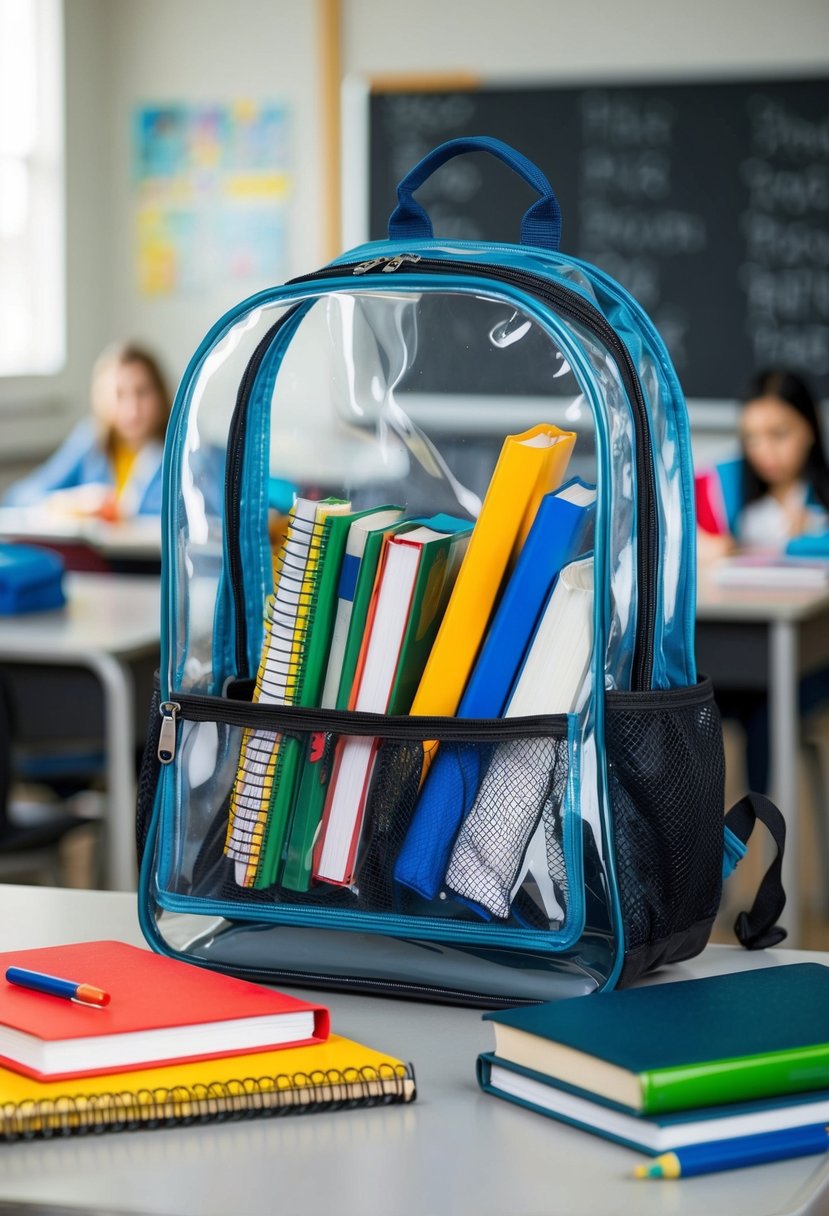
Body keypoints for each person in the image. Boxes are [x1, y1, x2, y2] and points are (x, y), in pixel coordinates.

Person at [697, 367, 829, 792]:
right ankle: (709, 840)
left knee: (772, 703)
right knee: (695, 703)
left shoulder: (817, 495)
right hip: (745, 657)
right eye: (752, 437)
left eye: (779, 433)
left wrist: (790, 545)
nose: (764, 451)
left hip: (811, 658)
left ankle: (763, 836)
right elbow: (679, 530)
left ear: (809, 428)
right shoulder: (727, 480)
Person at [3, 343, 172, 519]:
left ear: (160, 394)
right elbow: (18, 498)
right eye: (119, 394)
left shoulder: (183, 451)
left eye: (142, 392)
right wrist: (72, 502)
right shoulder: (91, 441)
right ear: (103, 398)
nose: (132, 408)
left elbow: (196, 517)